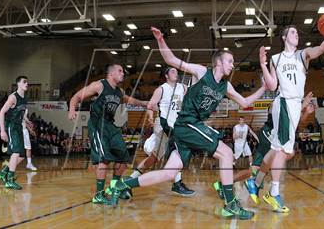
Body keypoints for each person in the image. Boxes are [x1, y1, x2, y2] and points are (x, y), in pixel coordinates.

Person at [111, 27, 267, 220]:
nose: (232, 65)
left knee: (169, 174)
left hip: (187, 129)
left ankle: (123, 184)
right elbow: (171, 61)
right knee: (226, 153)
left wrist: (264, 88)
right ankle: (230, 204)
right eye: (230, 61)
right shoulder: (202, 72)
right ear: (218, 61)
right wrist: (160, 39)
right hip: (187, 124)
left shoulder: (225, 86)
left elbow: (244, 103)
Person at [257, 10, 324, 212]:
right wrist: (262, 64)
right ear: (285, 37)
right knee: (283, 150)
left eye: (297, 33)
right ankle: (273, 193)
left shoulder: (302, 55)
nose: (297, 35)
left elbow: (320, 49)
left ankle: (256, 181)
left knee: (277, 149)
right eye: (293, 33)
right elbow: (271, 85)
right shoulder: (276, 58)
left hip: (295, 105)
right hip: (284, 101)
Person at [213, 92, 316, 203]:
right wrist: (303, 105)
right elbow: (283, 116)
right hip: (269, 135)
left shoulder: (294, 105)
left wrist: (306, 112)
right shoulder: (277, 102)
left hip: (271, 137)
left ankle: (223, 184)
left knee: (253, 170)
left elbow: (297, 121)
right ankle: (260, 185)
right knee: (288, 153)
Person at [68, 64, 148, 205]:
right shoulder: (99, 85)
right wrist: (72, 109)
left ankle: (113, 187)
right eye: (120, 71)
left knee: (123, 156)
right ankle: (99, 195)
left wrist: (144, 104)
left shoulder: (119, 91)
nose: (123, 73)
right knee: (103, 159)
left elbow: (130, 100)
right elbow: (76, 96)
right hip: (98, 124)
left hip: (111, 125)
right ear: (111, 73)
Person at [124, 67, 195, 196]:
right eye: (172, 71)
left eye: (176, 71)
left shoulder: (182, 87)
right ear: (166, 75)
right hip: (163, 125)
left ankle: (129, 180)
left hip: (175, 125)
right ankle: (177, 184)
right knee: (177, 150)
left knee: (154, 158)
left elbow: (193, 89)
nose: (176, 73)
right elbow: (150, 105)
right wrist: (150, 116)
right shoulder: (161, 89)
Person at [0, 76, 29, 190]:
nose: (27, 83)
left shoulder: (25, 98)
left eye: (27, 82)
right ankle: (9, 180)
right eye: (24, 82)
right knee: (15, 152)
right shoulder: (13, 97)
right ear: (18, 84)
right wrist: (2, 131)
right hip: (11, 126)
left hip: (19, 126)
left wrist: (27, 121)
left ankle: (3, 172)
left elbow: (22, 114)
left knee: (22, 156)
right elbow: (1, 113)